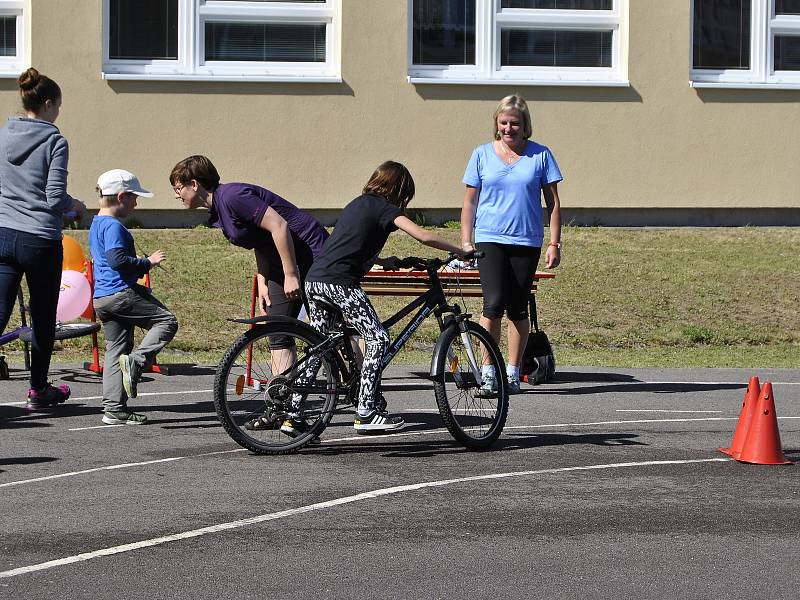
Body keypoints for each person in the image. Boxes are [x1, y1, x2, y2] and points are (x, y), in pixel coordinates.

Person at [292, 160, 467, 436]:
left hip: (315, 281)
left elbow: (351, 244)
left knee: (320, 345)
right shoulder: (386, 208)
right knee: (378, 338)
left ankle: (293, 412)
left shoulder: (357, 204)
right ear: (398, 190)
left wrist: (386, 261)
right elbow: (422, 235)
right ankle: (366, 411)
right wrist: (461, 250)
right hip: (339, 283)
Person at [460, 94, 562, 395]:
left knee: (518, 308)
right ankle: (489, 371)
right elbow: (469, 202)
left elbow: (553, 204)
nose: (509, 128)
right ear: (496, 123)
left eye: (515, 123)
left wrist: (555, 243)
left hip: (526, 240)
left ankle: (513, 371)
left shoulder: (541, 155)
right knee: (492, 304)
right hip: (490, 238)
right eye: (503, 122)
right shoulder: (481, 154)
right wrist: (466, 241)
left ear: (525, 125)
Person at [0, 68, 86, 411]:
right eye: (59, 107)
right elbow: (54, 197)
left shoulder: (4, 133)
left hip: (4, 233)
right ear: (48, 104)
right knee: (43, 316)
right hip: (39, 239)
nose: (59, 113)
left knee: (1, 309)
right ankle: (38, 389)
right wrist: (75, 207)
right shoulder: (55, 141)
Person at [169, 155, 328, 325]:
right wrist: (263, 281)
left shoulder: (233, 197)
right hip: (280, 262)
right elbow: (259, 241)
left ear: (194, 184)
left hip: (311, 253)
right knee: (276, 330)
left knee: (325, 327)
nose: (177, 195)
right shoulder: (218, 209)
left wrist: (290, 274)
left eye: (178, 188)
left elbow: (279, 226)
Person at [89, 169, 179, 425]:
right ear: (120, 196)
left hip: (103, 299)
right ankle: (137, 363)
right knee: (166, 322)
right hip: (120, 294)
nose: (136, 203)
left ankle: (114, 409)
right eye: (134, 197)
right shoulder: (114, 226)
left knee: (115, 349)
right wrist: (146, 262)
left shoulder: (96, 222)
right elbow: (117, 261)